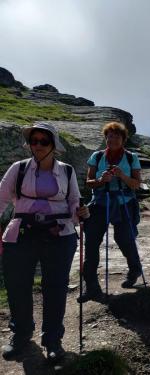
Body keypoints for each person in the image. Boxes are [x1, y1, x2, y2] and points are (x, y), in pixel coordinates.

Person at [0, 123, 89, 362]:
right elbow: (1, 199)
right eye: (34, 140)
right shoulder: (17, 169)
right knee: (17, 285)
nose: (37, 145)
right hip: (21, 233)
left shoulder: (68, 171)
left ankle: (52, 340)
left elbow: (73, 202)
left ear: (53, 145)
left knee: (56, 287)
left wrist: (80, 212)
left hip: (59, 235)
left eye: (43, 141)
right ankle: (21, 334)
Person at [79, 122, 143, 303]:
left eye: (116, 136)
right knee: (91, 242)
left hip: (124, 203)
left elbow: (137, 184)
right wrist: (101, 180)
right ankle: (91, 286)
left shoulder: (131, 158)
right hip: (100, 202)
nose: (112, 139)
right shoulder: (97, 156)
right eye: (109, 136)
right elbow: (89, 182)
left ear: (123, 139)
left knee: (124, 239)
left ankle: (134, 269)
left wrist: (122, 176)